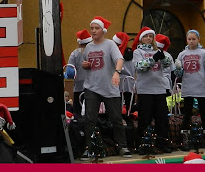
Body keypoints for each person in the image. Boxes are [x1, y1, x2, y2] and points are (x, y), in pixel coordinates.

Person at [81, 16, 131, 159]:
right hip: (91, 86)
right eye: (92, 28)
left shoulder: (110, 45)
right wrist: (85, 65)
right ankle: (89, 148)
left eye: (97, 28)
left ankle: (122, 147)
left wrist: (117, 72)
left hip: (110, 87)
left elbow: (119, 59)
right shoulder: (89, 46)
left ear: (103, 30)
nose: (94, 31)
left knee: (116, 118)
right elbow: (87, 63)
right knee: (90, 119)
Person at [174, 29, 205, 150]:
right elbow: (178, 74)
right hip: (188, 87)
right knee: (187, 113)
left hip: (201, 87)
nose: (191, 41)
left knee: (204, 113)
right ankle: (185, 139)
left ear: (198, 39)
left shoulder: (203, 53)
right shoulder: (182, 54)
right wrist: (178, 68)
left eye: (193, 39)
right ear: (186, 40)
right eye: (189, 39)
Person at [133, 27, 173, 153]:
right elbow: (140, 67)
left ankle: (162, 143)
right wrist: (154, 59)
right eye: (146, 36)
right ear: (141, 38)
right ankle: (143, 144)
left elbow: (168, 66)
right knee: (144, 119)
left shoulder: (158, 50)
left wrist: (164, 58)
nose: (149, 39)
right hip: (145, 90)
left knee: (162, 119)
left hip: (160, 89)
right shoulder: (137, 52)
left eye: (151, 36)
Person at [67, 29, 92, 119]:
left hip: (78, 87)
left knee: (78, 112)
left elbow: (70, 73)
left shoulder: (75, 53)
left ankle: (79, 131)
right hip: (93, 87)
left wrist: (66, 75)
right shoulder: (94, 53)